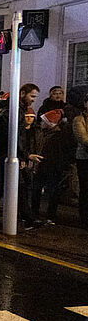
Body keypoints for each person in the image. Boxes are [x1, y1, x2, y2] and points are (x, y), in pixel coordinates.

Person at [31, 109, 75, 225]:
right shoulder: (45, 134)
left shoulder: (58, 137)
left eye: (44, 121)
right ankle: (37, 213)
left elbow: (59, 154)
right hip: (44, 166)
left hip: (51, 167)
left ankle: (49, 215)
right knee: (40, 190)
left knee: (50, 191)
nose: (41, 123)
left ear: (51, 124)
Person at [74, 94, 88, 231]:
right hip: (84, 158)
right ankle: (84, 218)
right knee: (85, 188)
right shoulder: (79, 119)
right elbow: (82, 138)